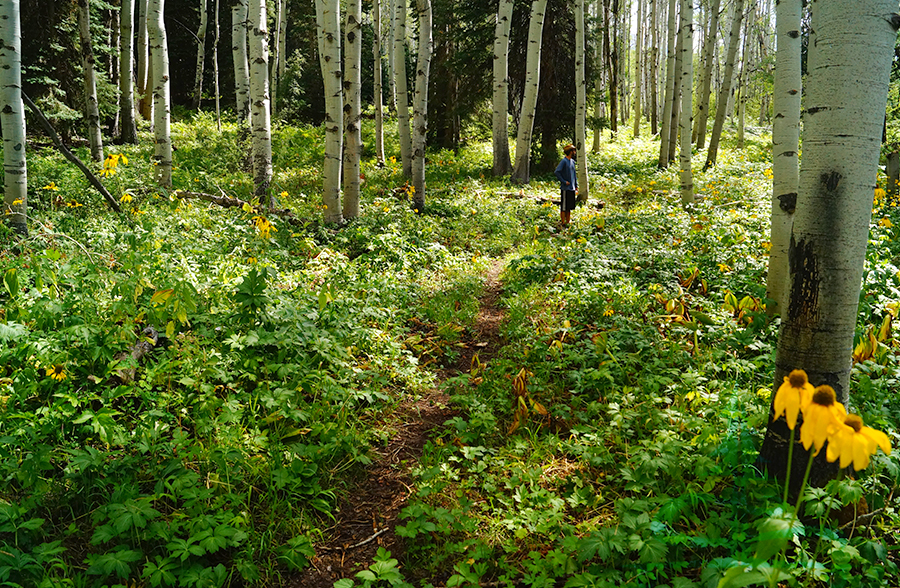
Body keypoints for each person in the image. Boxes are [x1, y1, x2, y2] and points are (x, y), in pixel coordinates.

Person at [554, 144, 577, 226]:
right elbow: (557, 172)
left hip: (572, 188)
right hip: (565, 188)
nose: (575, 152)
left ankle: (568, 222)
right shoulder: (564, 161)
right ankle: (563, 222)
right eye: (573, 151)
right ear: (570, 152)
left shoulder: (573, 162)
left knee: (569, 206)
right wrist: (564, 181)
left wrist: (576, 185)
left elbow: (574, 174)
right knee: (564, 206)